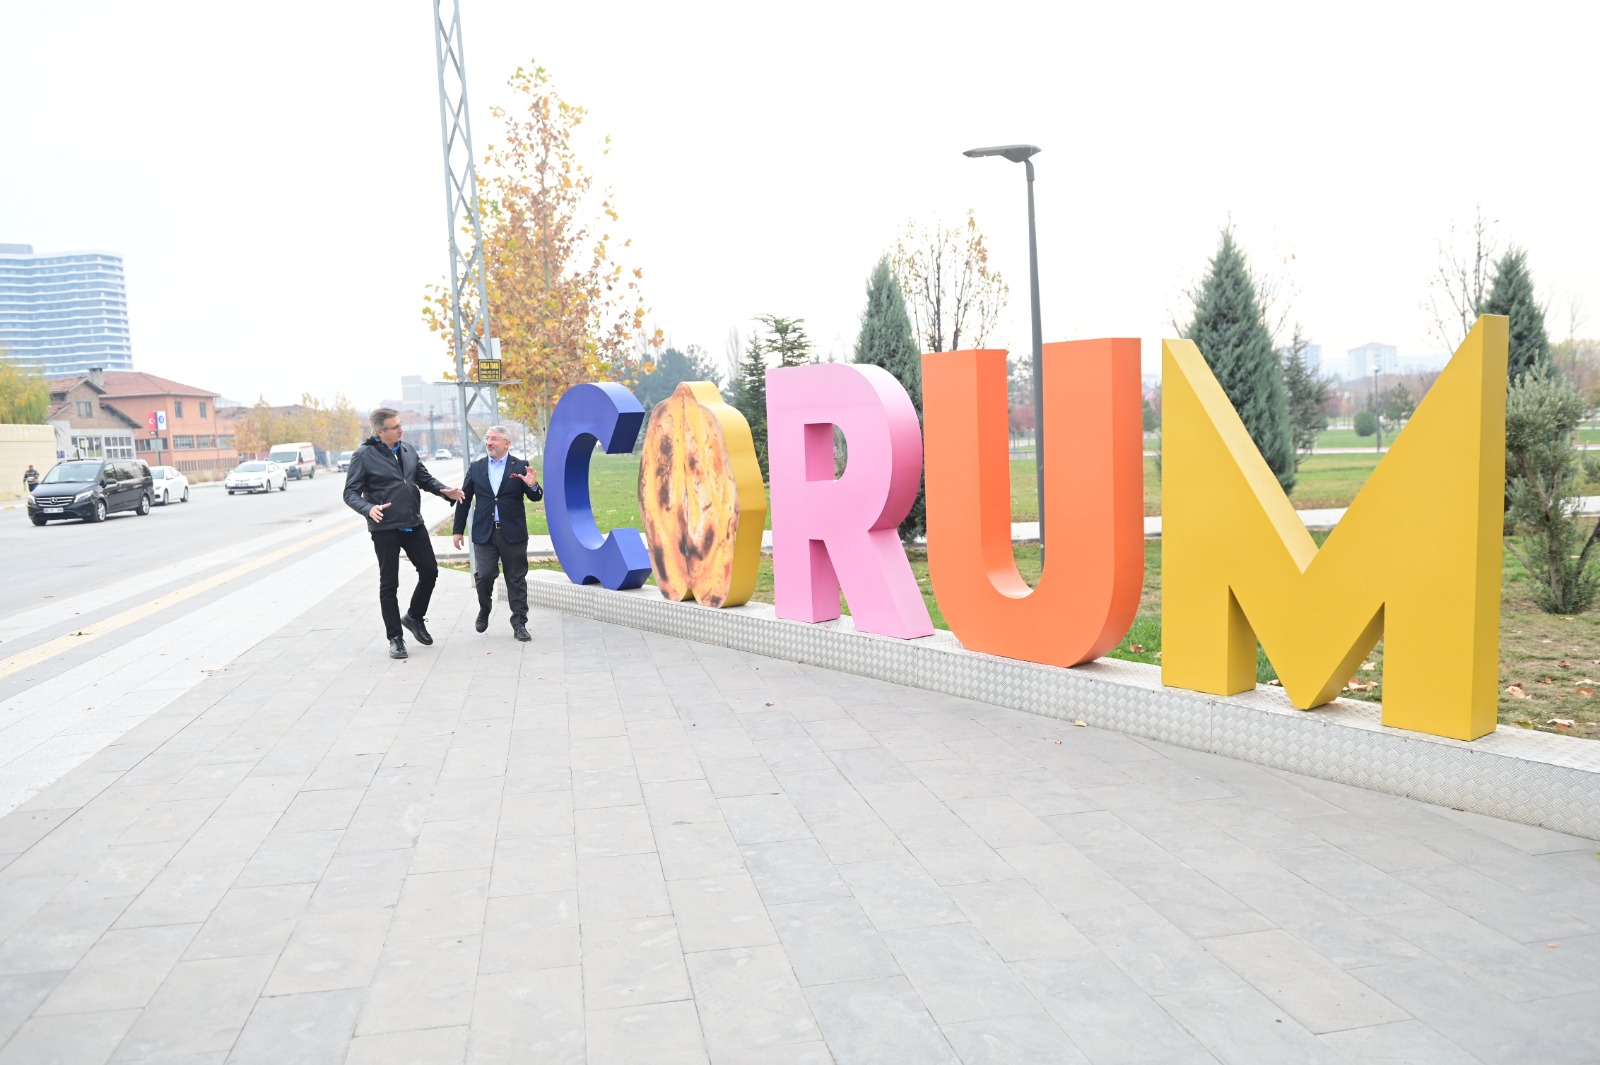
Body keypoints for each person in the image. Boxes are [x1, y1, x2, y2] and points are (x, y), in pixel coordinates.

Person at [344, 408, 465, 659]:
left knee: (430, 571)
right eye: (395, 427)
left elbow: (424, 478)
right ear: (380, 432)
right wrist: (368, 508)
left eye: (400, 425)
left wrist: (444, 491)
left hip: (413, 523)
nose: (401, 429)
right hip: (385, 527)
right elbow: (350, 493)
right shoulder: (363, 456)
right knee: (389, 583)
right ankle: (395, 638)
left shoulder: (407, 449)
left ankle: (414, 617)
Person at [452, 425, 542, 641]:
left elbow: (536, 497)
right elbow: (464, 500)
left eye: (494, 439)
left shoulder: (520, 465)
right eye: (487, 438)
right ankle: (485, 608)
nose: (489, 442)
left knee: (516, 578)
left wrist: (532, 485)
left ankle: (519, 624)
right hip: (485, 533)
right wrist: (457, 531)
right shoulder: (476, 467)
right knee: (484, 575)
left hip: (513, 533)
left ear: (507, 443)